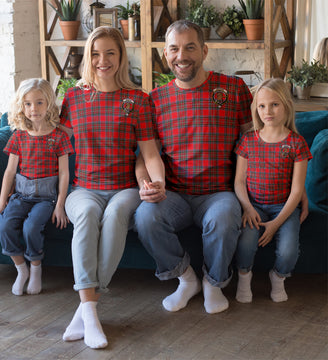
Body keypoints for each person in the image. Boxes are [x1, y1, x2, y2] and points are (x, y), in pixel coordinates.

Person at [134, 20, 253, 315]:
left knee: (225, 219)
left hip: (219, 193)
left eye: (190, 47)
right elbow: (144, 156)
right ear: (165, 53)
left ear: (204, 50)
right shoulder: (155, 100)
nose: (181, 56)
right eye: (174, 48)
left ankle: (214, 283)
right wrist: (144, 184)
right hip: (174, 194)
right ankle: (187, 280)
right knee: (145, 217)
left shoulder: (234, 88)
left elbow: (254, 144)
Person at [59, 26, 165, 349]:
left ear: (121, 57)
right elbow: (57, 146)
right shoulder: (73, 97)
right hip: (83, 189)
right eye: (95, 53)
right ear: (88, 58)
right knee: (88, 213)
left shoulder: (137, 100)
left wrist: (158, 182)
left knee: (118, 212)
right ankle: (90, 311)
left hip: (124, 189)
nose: (102, 60)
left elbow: (149, 153)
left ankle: (85, 309)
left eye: (110, 53)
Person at [0, 78, 73, 296]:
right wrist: (1, 204)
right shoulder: (18, 136)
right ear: (21, 106)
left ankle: (36, 269)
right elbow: (10, 172)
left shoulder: (59, 137)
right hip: (21, 195)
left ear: (49, 104)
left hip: (47, 198)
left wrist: (60, 206)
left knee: (31, 227)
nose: (33, 109)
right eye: (27, 104)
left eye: (39, 103)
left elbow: (65, 173)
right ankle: (21, 270)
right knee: (4, 226)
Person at [234, 78, 312, 303]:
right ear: (256, 109)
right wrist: (247, 208)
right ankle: (243, 276)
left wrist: (277, 223)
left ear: (286, 105)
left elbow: (297, 190)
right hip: (254, 206)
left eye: (274, 104)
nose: (267, 111)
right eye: (262, 106)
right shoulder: (248, 140)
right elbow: (239, 181)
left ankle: (278, 277)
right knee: (246, 244)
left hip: (284, 208)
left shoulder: (297, 143)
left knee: (288, 252)